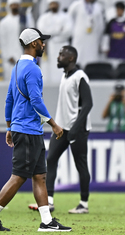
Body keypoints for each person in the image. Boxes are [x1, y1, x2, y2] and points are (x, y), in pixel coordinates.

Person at [1, 28, 71, 232]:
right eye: (42, 41)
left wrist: (9, 126)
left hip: (25, 129)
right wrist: (54, 124)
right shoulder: (32, 69)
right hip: (28, 130)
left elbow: (9, 100)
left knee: (40, 175)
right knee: (19, 176)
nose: (44, 44)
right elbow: (35, 100)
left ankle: (47, 221)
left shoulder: (17, 67)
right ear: (34, 44)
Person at [28, 45, 93, 214]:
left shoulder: (80, 76)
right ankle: (48, 201)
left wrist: (76, 128)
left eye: (61, 54)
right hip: (63, 128)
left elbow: (88, 104)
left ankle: (83, 204)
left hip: (77, 129)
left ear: (71, 58)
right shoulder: (65, 76)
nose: (58, 57)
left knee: (81, 164)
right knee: (51, 159)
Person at [37, 0, 73, 83]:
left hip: (62, 45)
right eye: (52, 4)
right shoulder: (44, 17)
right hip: (48, 47)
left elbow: (68, 32)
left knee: (61, 69)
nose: (53, 5)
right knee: (47, 69)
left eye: (55, 3)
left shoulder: (66, 17)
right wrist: (58, 30)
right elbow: (42, 31)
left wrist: (52, 36)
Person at [0, 0, 34, 81]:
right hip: (10, 58)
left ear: (19, 6)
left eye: (16, 5)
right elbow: (2, 42)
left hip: (24, 55)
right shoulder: (4, 22)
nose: (14, 6)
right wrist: (8, 56)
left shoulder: (25, 20)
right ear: (9, 6)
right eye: (13, 5)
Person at [68, 0, 105, 68]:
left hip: (93, 37)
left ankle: (91, 72)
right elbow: (69, 19)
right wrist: (73, 32)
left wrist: (99, 37)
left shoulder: (98, 7)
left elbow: (101, 24)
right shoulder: (76, 5)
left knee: (93, 56)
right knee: (78, 55)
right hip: (79, 36)